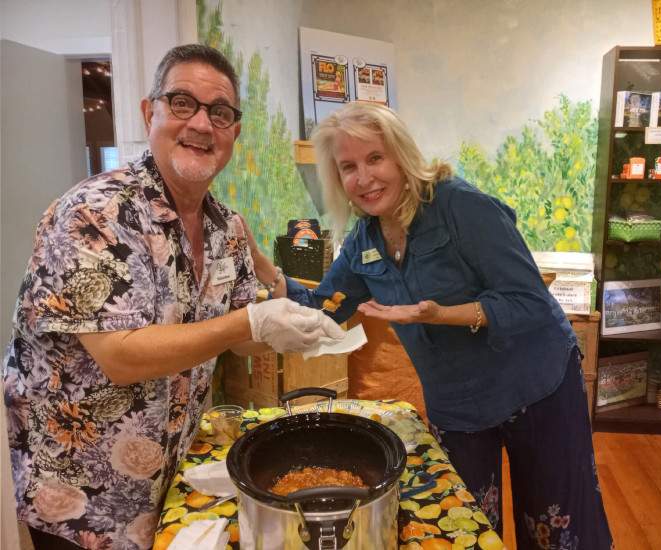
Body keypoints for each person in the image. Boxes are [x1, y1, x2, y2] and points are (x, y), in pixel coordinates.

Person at [2, 44, 342, 550]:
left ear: (234, 133)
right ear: (149, 111)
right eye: (182, 103)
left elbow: (243, 337)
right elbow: (120, 355)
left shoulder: (226, 227)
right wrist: (250, 323)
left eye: (220, 112)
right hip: (86, 503)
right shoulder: (95, 213)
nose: (202, 124)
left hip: (173, 484)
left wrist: (285, 329)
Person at [248, 101, 613, 547]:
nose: (363, 178)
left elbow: (528, 301)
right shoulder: (364, 241)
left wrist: (443, 315)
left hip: (537, 385)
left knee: (558, 527)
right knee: (466, 525)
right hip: (458, 405)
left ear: (401, 156)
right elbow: (325, 307)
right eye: (348, 167)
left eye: (374, 158)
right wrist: (261, 263)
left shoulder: (462, 207)